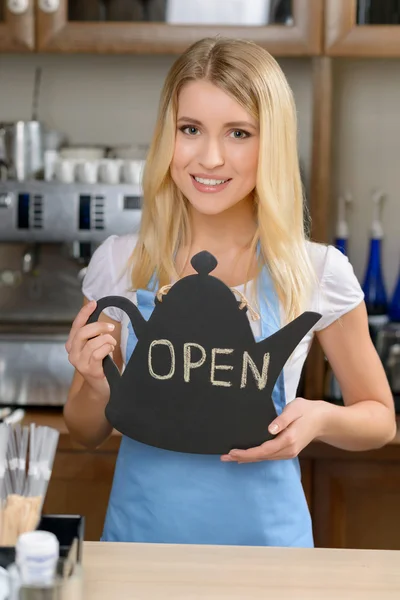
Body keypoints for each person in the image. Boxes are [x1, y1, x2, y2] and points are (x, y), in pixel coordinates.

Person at [64, 37, 396, 547]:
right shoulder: (121, 263)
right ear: (167, 138)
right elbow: (85, 431)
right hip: (142, 550)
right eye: (190, 129)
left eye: (238, 133)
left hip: (267, 555)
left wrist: (319, 418)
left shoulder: (315, 271)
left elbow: (379, 419)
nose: (210, 157)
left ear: (272, 144)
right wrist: (94, 383)